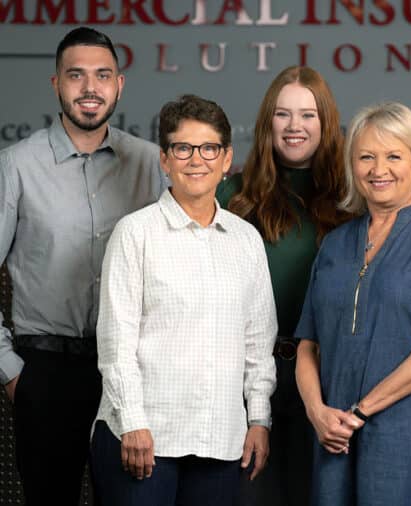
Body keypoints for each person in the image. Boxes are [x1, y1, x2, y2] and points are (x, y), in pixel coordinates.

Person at [0, 27, 165, 506]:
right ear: (56, 84)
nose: (90, 88)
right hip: (44, 374)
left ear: (120, 84)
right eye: (76, 76)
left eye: (102, 75)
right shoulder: (15, 166)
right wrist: (12, 372)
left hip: (133, 375)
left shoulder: (152, 164)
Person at [90, 94, 278, 506]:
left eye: (209, 148)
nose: (197, 160)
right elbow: (116, 344)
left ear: (227, 159)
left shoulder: (246, 240)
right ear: (165, 159)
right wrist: (134, 423)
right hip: (144, 439)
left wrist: (259, 418)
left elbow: (258, 344)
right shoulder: (134, 233)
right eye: (183, 148)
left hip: (220, 441)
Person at [295, 102, 411, 506]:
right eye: (366, 157)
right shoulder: (336, 244)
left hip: (403, 428)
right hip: (332, 432)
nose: (379, 170)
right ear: (351, 165)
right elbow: (308, 344)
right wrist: (318, 413)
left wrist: (360, 412)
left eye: (394, 156)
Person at [216, 65, 350, 506]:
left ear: (326, 123)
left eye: (308, 115)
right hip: (246, 382)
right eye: (282, 114)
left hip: (329, 383)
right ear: (266, 123)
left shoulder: (354, 200)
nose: (295, 127)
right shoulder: (231, 197)